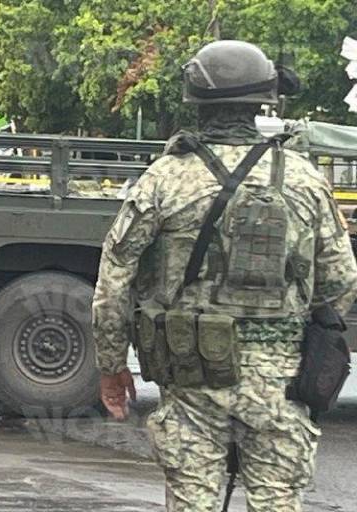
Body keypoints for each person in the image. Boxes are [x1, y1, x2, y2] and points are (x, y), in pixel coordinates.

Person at [92, 40, 357, 511]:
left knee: (192, 503)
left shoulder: (164, 178)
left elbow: (114, 281)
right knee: (277, 502)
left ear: (195, 104)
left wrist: (111, 367)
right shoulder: (303, 178)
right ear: (263, 102)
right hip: (281, 381)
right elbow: (340, 279)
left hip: (191, 375)